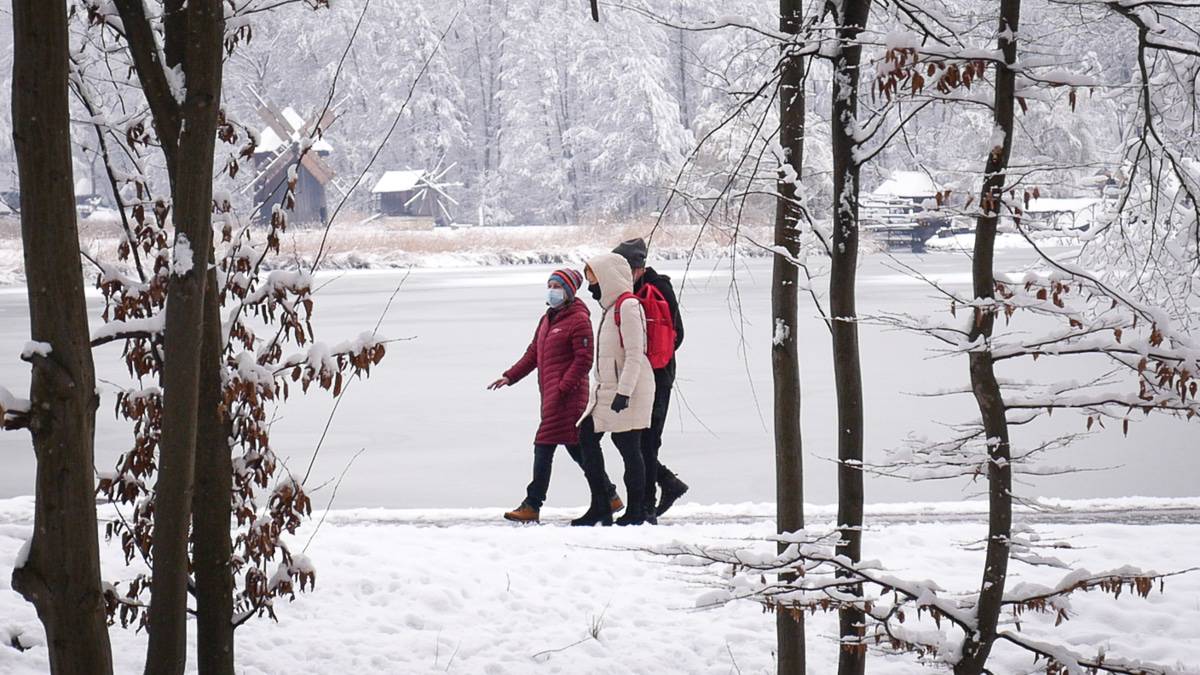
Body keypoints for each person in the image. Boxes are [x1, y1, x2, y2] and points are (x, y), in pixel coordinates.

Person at [489, 269, 622, 523]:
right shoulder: (548, 319)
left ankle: (532, 504)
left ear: (569, 290)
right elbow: (532, 354)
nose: (551, 290)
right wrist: (510, 376)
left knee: (543, 445)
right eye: (549, 284)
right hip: (552, 396)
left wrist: (563, 387)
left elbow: (584, 361)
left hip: (568, 398)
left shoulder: (579, 319)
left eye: (556, 285)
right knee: (577, 449)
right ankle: (610, 495)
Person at [572, 252, 656, 527]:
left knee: (629, 447)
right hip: (608, 389)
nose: (590, 286)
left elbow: (635, 354)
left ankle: (634, 511)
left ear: (606, 278)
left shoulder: (629, 306)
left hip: (628, 389)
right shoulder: (610, 309)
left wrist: (625, 392)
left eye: (592, 279)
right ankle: (602, 504)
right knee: (589, 437)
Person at [612, 238, 689, 519]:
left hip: (657, 376)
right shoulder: (626, 290)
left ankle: (646, 508)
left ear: (637, 267)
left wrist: (648, 363)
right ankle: (665, 483)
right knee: (624, 437)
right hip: (635, 376)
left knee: (646, 439)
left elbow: (676, 334)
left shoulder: (657, 289)